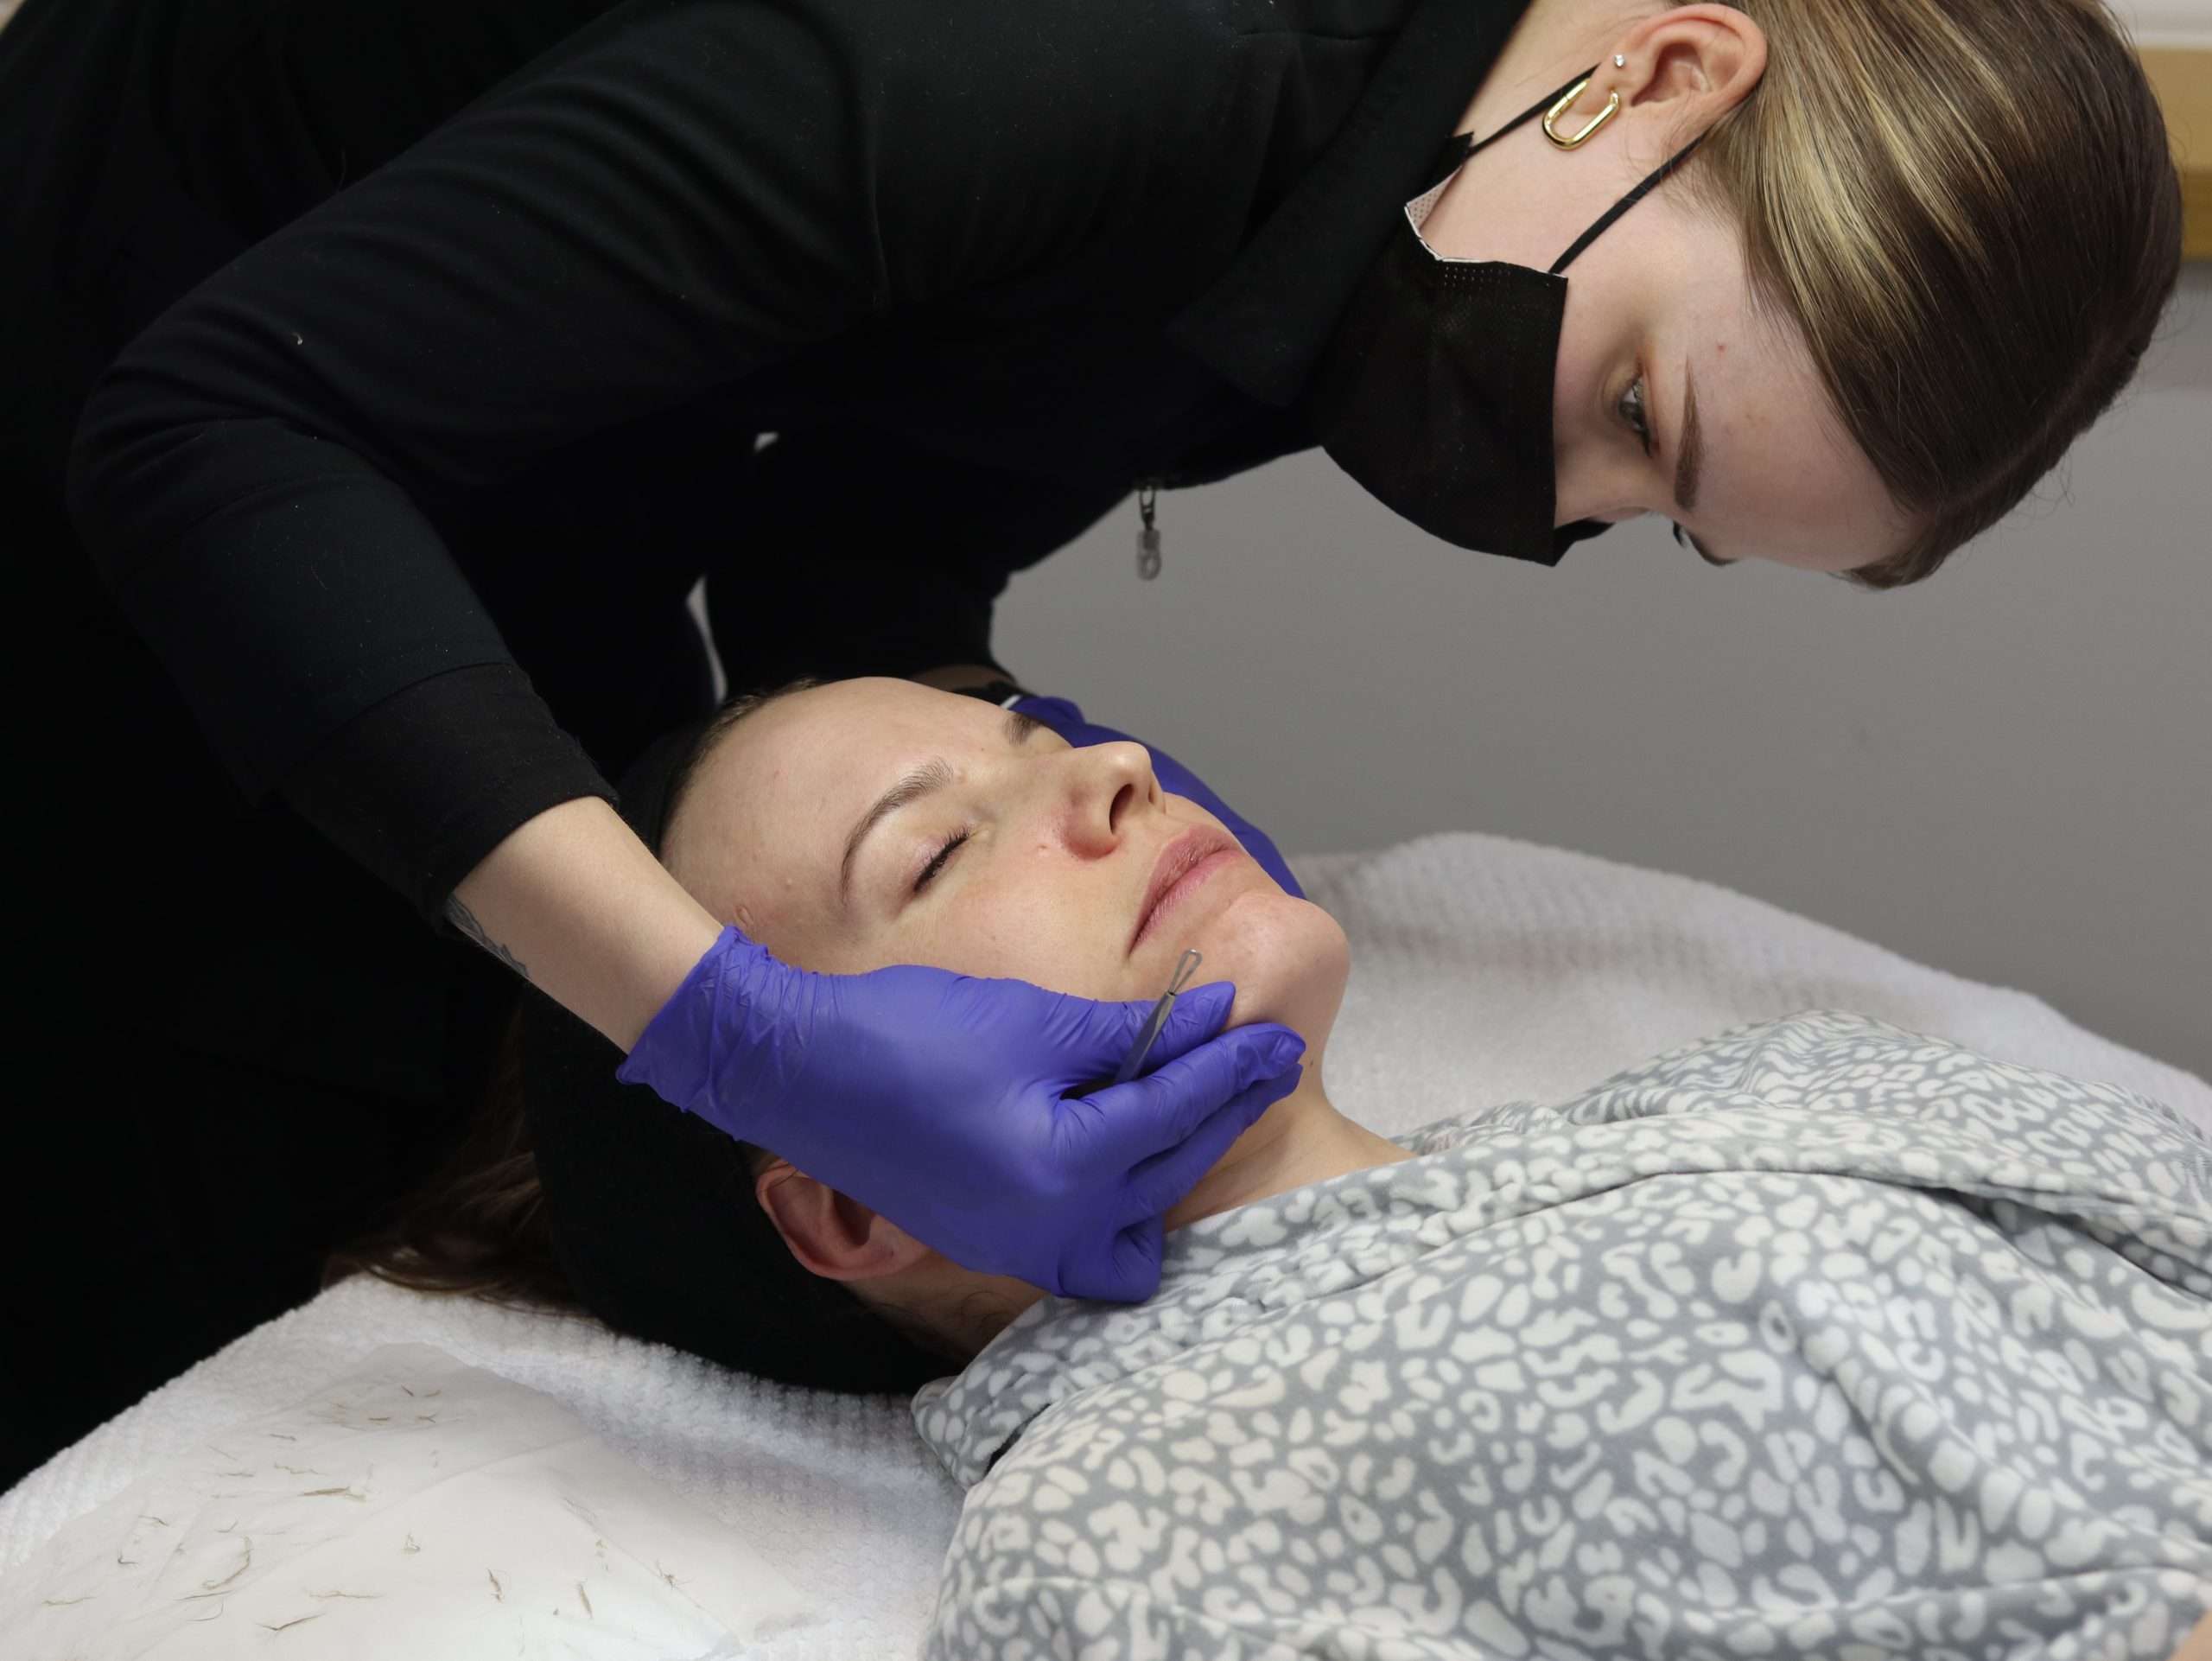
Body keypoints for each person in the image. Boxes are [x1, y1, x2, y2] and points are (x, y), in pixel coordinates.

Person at [0, 0, 2183, 1481]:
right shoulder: (1090, 56)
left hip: (500, 459)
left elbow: (850, 540)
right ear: (1664, 72)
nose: (1547, 508)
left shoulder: (1382, 238)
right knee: (250, 1133)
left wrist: (998, 768)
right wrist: (727, 1029)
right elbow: (215, 428)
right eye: (1633, 413)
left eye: (1652, 527)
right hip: (127, 426)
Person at [338, 673, 2212, 1659]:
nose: (1117, 770)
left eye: (1043, 737)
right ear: (846, 1199)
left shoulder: (1759, 1081)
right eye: (931, 853)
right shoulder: (1117, 1541)